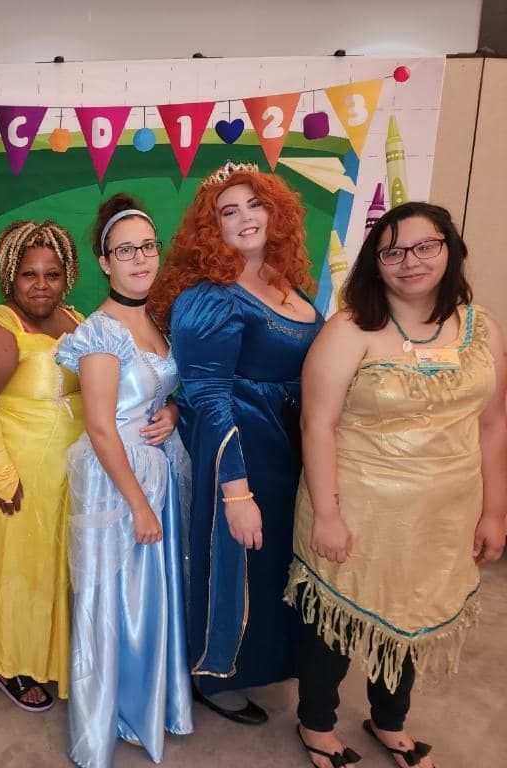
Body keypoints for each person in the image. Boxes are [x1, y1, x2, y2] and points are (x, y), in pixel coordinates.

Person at [285, 202, 506, 768]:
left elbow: (492, 422)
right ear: (374, 262)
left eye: (424, 246)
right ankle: (316, 723)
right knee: (335, 621)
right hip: (357, 506)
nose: (409, 261)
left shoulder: (480, 329)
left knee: (413, 615)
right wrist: (328, 514)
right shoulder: (351, 328)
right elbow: (317, 424)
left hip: (444, 513)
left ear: (450, 249)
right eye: (392, 251)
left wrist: (494, 512)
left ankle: (390, 721)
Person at [148, 161, 323, 725]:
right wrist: (235, 492)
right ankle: (213, 673)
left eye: (256, 205)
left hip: (291, 446)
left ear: (277, 212)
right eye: (229, 211)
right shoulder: (211, 296)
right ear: (211, 228)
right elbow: (209, 395)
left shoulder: (287, 282)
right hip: (238, 448)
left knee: (275, 561)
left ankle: (265, 660)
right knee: (235, 556)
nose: (246, 218)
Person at [57, 195, 193, 767]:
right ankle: (103, 719)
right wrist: (139, 506)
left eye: (147, 246)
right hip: (119, 480)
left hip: (159, 468)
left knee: (152, 596)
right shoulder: (102, 331)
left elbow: (159, 391)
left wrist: (175, 413)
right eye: (125, 250)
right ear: (105, 261)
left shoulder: (157, 318)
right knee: (112, 600)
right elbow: (100, 426)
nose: (140, 258)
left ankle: (149, 703)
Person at [0, 219, 83, 711]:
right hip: (16, 474)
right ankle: (9, 662)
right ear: (10, 275)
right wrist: (2, 475)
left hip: (66, 476)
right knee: (16, 570)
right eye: (29, 274)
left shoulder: (75, 318)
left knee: (53, 569)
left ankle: (49, 651)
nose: (41, 285)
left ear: (67, 276)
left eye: (52, 274)